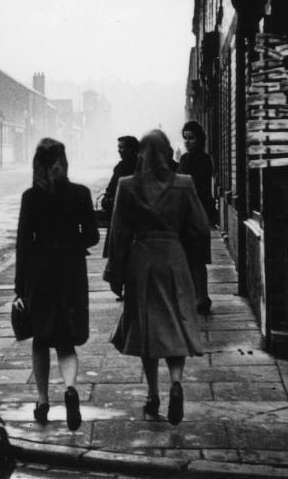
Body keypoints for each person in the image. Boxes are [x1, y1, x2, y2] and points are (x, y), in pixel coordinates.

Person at [103, 129, 208, 425]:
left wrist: (115, 272)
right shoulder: (184, 184)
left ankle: (153, 394)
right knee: (177, 320)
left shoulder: (127, 185)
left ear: (141, 154)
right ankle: (176, 382)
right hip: (174, 259)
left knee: (146, 327)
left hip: (142, 260)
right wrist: (181, 246)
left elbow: (119, 233)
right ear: (168, 153)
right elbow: (200, 228)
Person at [13, 138, 99, 431]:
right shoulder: (80, 194)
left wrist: (19, 289)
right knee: (65, 339)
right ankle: (71, 388)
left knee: (40, 338)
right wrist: (71, 243)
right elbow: (92, 237)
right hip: (71, 271)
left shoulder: (31, 197)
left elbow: (23, 244)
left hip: (39, 274)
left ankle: (42, 400)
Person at [178, 120, 217, 314]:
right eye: (185, 138)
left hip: (197, 211)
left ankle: (201, 297)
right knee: (191, 257)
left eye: (191, 138)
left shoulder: (202, 159)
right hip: (188, 212)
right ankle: (197, 296)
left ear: (199, 139)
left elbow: (196, 185)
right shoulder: (185, 159)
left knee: (197, 258)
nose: (187, 142)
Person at [101, 135, 139, 258]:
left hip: (124, 217)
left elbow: (112, 189)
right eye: (119, 147)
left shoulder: (124, 167)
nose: (119, 150)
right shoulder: (122, 166)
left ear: (131, 148)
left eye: (122, 147)